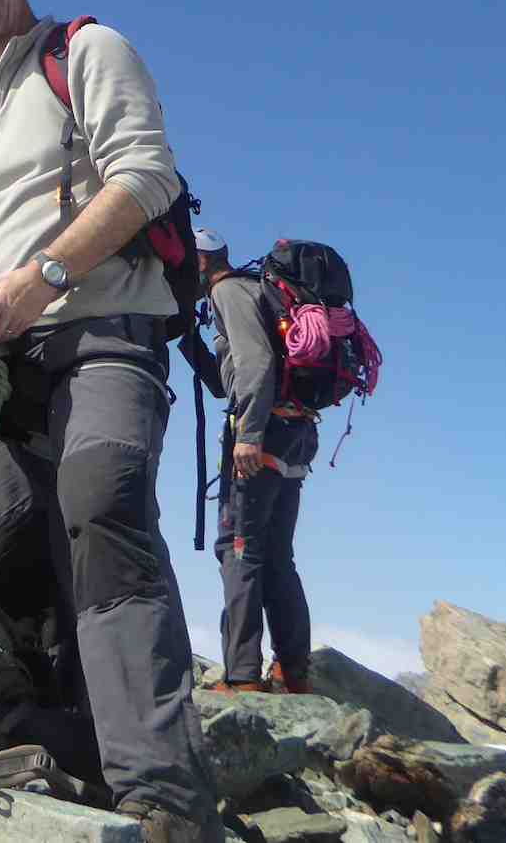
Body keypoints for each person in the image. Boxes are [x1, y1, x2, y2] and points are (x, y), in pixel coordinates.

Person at [0, 0, 218, 841]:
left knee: (102, 502)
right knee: (10, 544)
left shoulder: (88, 51)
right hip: (5, 355)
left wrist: (44, 273)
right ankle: (65, 729)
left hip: (105, 326)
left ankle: (162, 792)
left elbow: (146, 177)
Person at [198, 228, 318, 695]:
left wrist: (246, 434)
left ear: (203, 262)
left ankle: (242, 678)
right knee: (276, 557)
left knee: (239, 551)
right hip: (295, 436)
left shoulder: (227, 291)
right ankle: (292, 670)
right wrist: (190, 342)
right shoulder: (256, 292)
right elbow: (227, 377)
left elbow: (256, 363)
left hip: (261, 439)